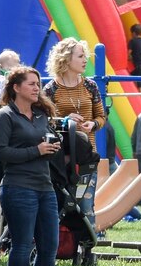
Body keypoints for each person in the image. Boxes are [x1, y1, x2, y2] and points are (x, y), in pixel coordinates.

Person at [0, 64, 63, 266]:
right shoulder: (6, 115)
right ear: (16, 87)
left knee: (49, 246)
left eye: (38, 84)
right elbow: (0, 152)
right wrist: (36, 150)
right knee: (22, 245)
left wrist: (52, 147)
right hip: (18, 187)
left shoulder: (41, 115)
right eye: (31, 84)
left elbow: (42, 147)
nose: (37, 88)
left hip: (45, 187)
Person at [43, 38, 106, 224]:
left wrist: (93, 125)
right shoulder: (51, 89)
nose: (85, 60)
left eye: (85, 56)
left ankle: (86, 249)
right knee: (61, 203)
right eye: (80, 56)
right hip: (63, 157)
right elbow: (45, 122)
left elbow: (102, 117)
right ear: (66, 60)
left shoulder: (90, 86)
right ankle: (60, 245)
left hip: (88, 154)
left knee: (86, 205)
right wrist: (65, 121)